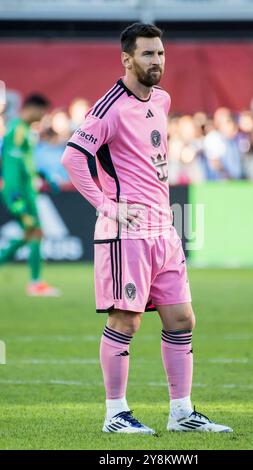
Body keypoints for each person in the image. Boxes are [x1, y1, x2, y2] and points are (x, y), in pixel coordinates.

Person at [62, 22, 232, 434]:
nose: (156, 62)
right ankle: (115, 414)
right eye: (147, 54)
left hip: (163, 229)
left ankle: (182, 413)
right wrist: (106, 205)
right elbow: (72, 158)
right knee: (127, 320)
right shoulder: (107, 108)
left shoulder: (163, 99)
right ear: (126, 58)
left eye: (160, 54)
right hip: (127, 231)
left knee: (181, 319)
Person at [0, 93, 60, 297]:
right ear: (33, 108)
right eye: (42, 112)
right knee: (35, 233)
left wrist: (43, 174)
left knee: (32, 234)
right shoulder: (16, 129)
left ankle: (36, 282)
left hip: (27, 192)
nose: (43, 116)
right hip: (19, 194)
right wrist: (16, 198)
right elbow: (12, 168)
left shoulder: (25, 130)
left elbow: (26, 163)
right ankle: (35, 283)